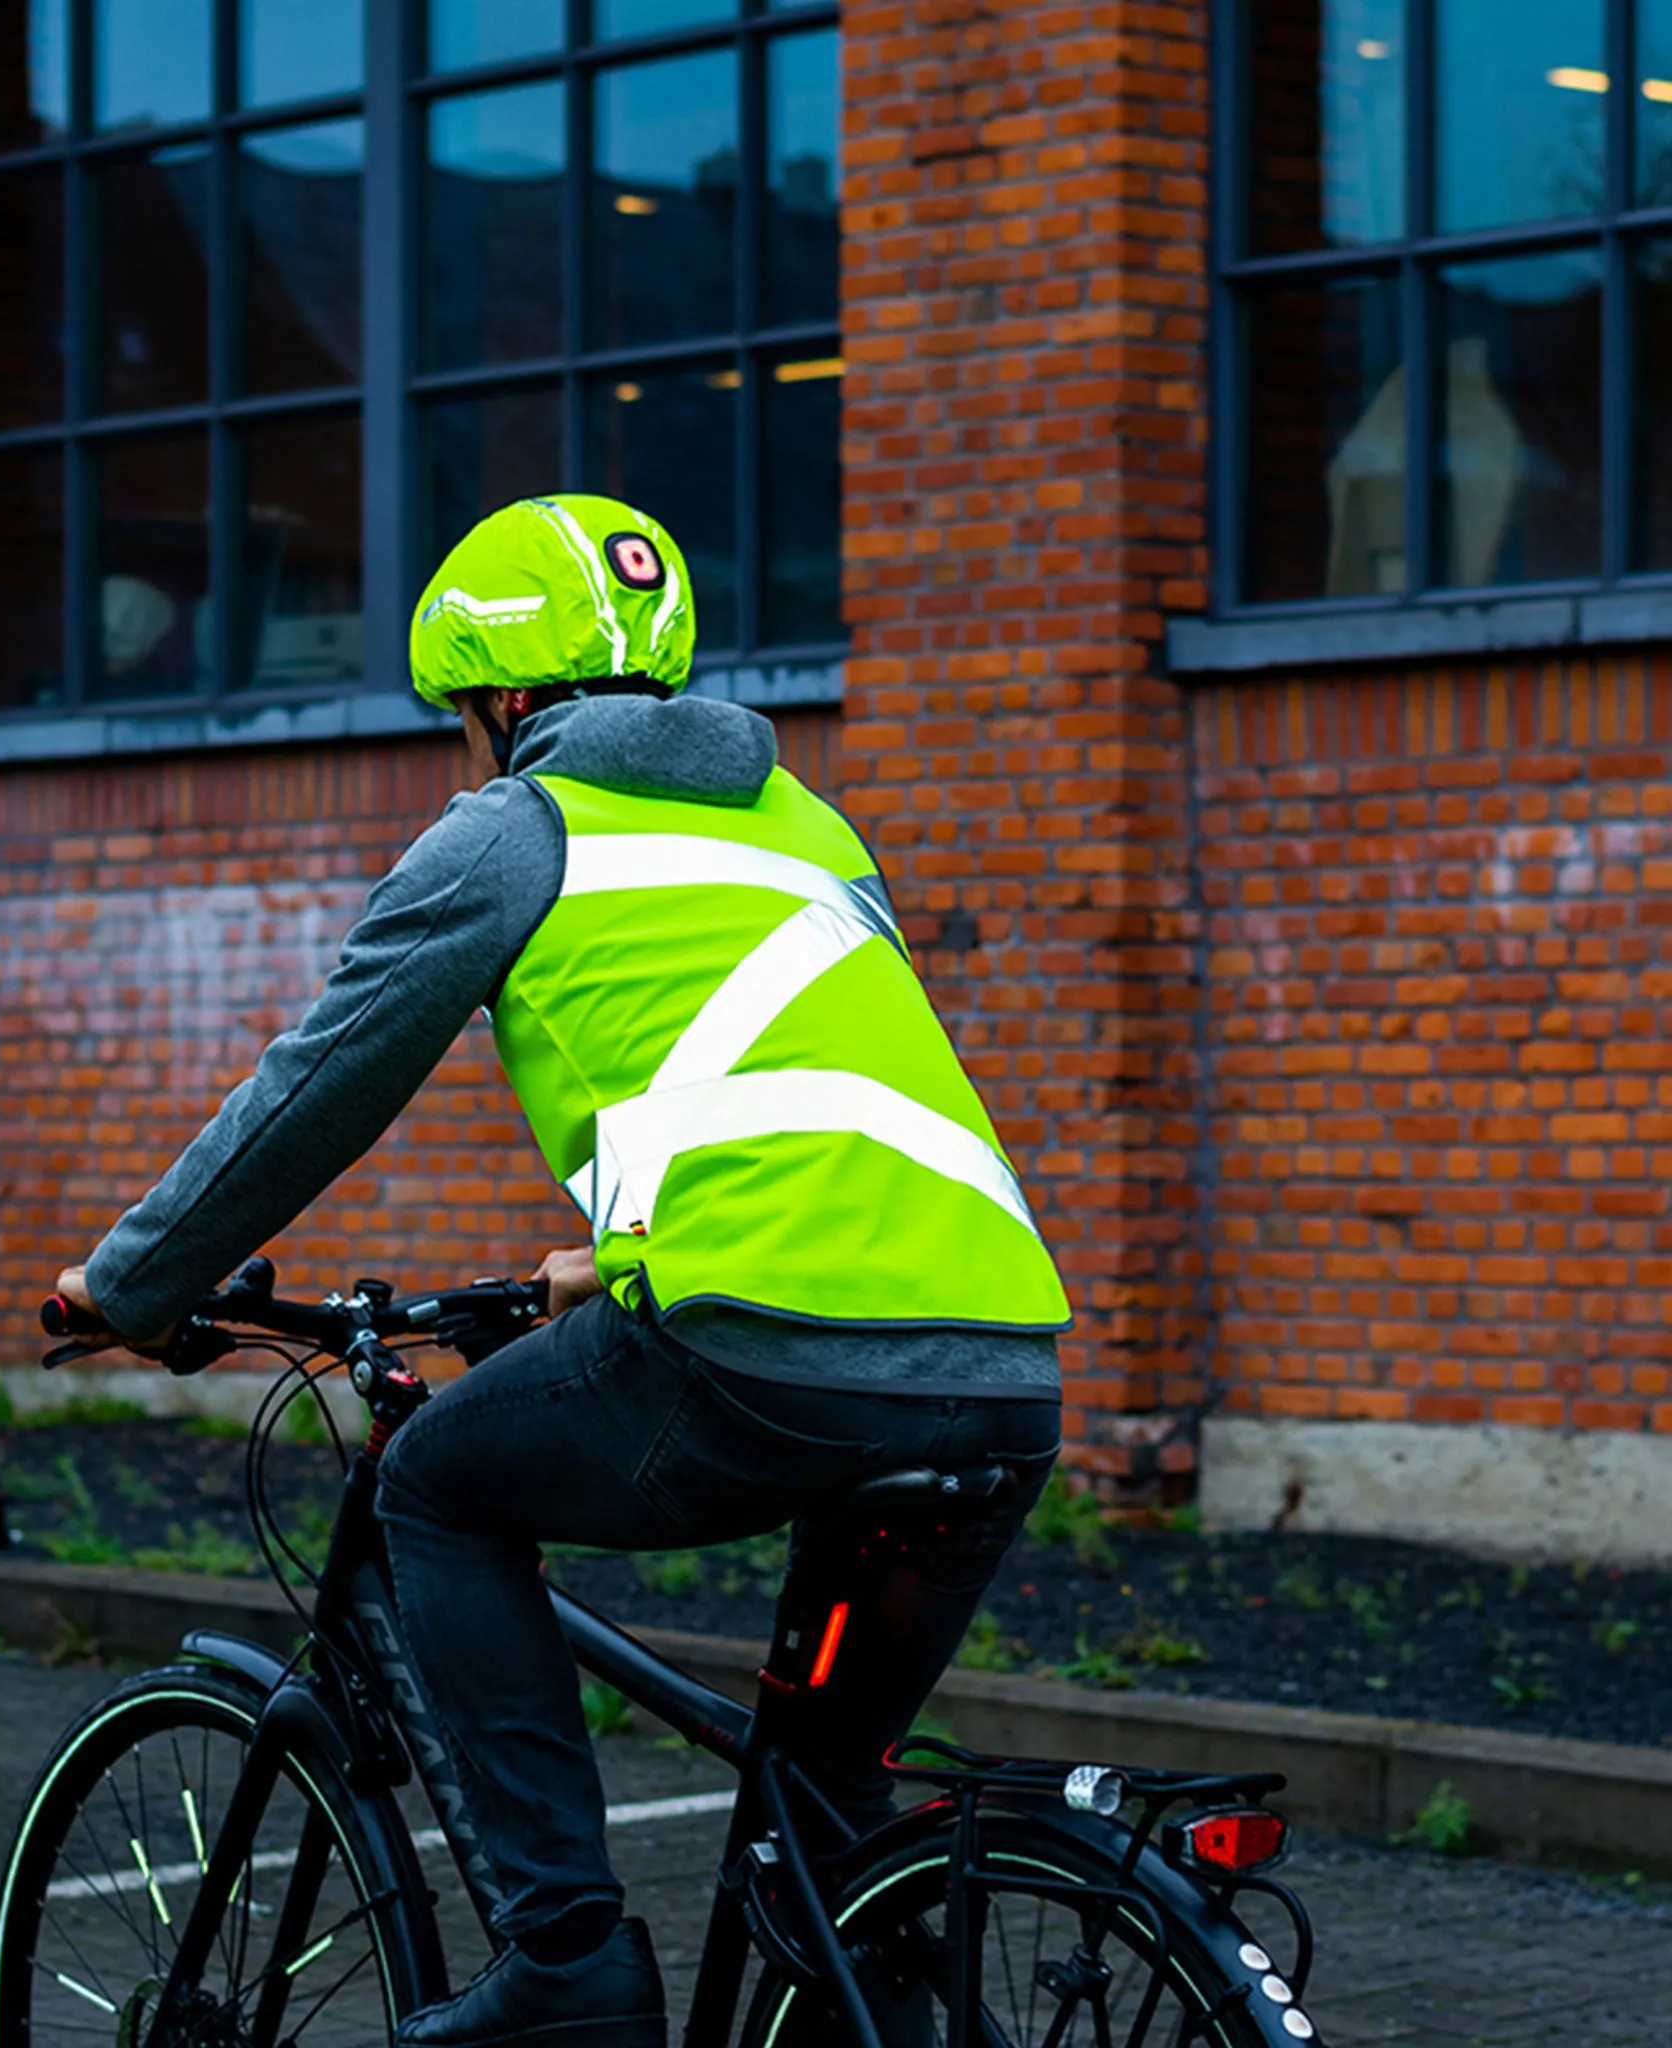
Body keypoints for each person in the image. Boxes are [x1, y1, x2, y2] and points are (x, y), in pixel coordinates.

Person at [54, 493, 1070, 2048]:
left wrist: (128, 1283)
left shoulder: (514, 830)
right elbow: (815, 1104)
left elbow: (314, 1085)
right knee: (825, 1832)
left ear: (507, 701)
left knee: (434, 1493)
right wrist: (606, 1262)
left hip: (763, 1360)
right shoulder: (812, 827)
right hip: (996, 1371)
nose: (467, 749)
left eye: (466, 717)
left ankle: (566, 1963)